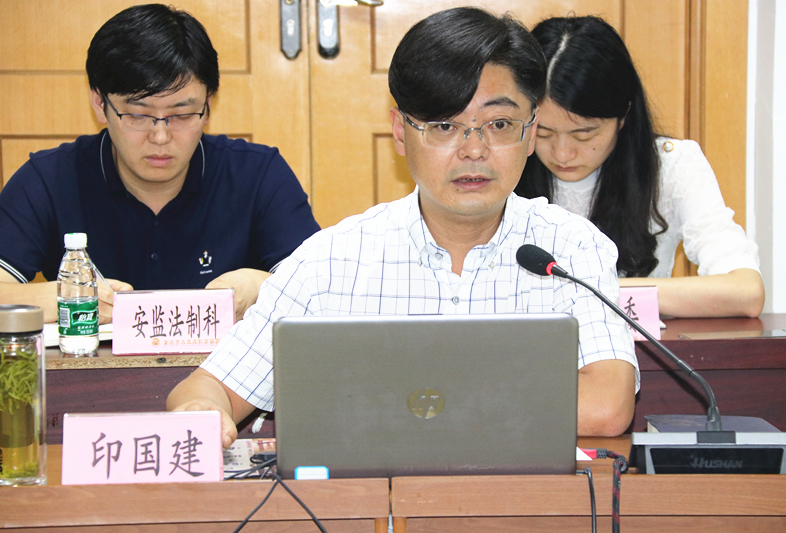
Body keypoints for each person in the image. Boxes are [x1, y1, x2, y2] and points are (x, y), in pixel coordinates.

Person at [167, 7, 639, 442]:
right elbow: (210, 388)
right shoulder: (332, 261)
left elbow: (606, 406)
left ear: (530, 132)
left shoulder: (570, 249)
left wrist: (403, 401)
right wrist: (201, 412)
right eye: (444, 126)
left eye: (498, 125)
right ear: (399, 131)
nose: (474, 150)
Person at [0, 4, 320, 323]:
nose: (160, 136)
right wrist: (68, 296)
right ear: (100, 104)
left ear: (208, 105)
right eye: (138, 114)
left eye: (182, 114)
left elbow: (323, 289)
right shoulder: (50, 179)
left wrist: (258, 286)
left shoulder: (257, 175)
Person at [515, 15, 764, 318]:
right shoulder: (503, 163)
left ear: (624, 114)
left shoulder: (671, 166)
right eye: (543, 133)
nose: (563, 153)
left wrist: (598, 291)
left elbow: (746, 292)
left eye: (584, 134)